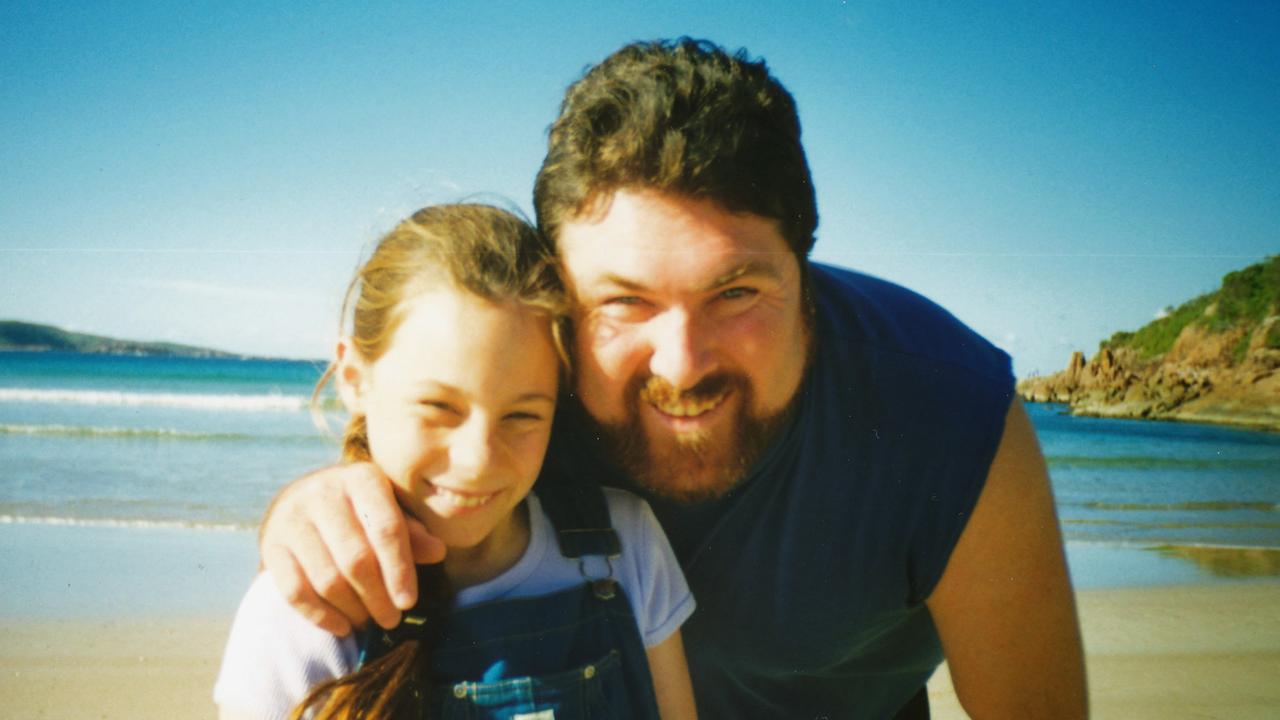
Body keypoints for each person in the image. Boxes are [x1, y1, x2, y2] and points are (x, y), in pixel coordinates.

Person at [259, 40, 1088, 719]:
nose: (682, 362)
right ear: (561, 298)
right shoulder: (535, 382)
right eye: (625, 301)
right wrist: (322, 499)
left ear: (807, 274)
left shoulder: (943, 413)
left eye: (735, 293)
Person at [215, 204, 698, 719]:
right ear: (354, 379)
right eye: (439, 408)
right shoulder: (307, 608)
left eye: (521, 415)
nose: (477, 460)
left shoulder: (626, 545)